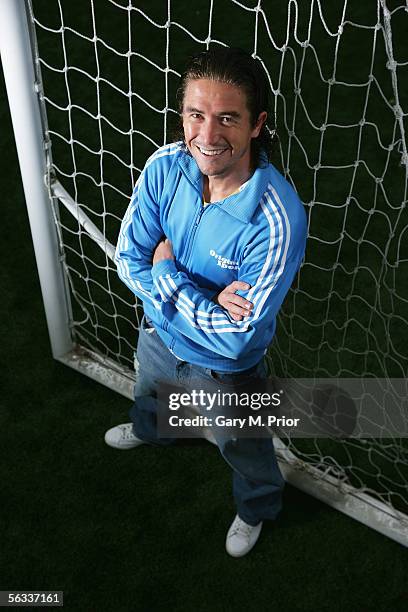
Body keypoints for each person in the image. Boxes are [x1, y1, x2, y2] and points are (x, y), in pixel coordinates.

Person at [105, 47, 307, 557]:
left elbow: (236, 341)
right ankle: (155, 433)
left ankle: (257, 506)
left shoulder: (276, 219)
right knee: (150, 393)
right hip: (156, 334)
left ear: (257, 124)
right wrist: (204, 302)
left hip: (222, 372)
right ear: (182, 116)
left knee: (245, 446)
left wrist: (168, 277)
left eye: (227, 119)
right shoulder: (164, 166)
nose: (208, 136)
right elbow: (129, 258)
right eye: (197, 115)